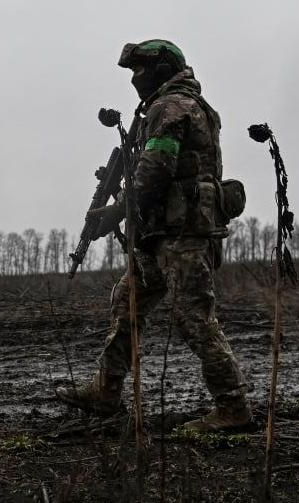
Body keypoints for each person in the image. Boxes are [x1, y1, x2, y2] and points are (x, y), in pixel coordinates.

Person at [55, 39, 250, 431]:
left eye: (140, 70)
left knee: (194, 319)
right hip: (160, 234)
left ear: (162, 70)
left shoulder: (171, 106)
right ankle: (107, 391)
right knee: (126, 301)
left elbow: (156, 169)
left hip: (182, 236)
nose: (135, 78)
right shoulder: (177, 105)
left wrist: (117, 211)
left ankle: (233, 407)